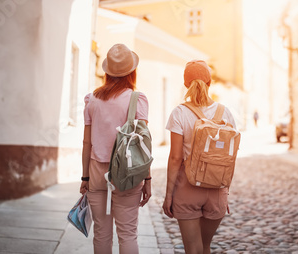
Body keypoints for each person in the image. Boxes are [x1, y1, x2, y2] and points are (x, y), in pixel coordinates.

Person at [80, 43, 152, 254]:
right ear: (132, 71)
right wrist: (147, 179)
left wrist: (85, 178)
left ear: (107, 72)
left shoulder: (92, 100)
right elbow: (142, 144)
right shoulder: (137, 100)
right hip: (128, 174)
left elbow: (86, 144)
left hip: (96, 174)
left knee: (101, 234)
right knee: (128, 234)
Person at [162, 60, 237, 254]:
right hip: (216, 189)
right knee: (205, 247)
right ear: (210, 82)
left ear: (186, 85)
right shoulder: (225, 113)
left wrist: (169, 195)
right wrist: (225, 191)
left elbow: (175, 158)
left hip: (188, 186)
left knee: (192, 249)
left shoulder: (180, 113)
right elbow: (230, 156)